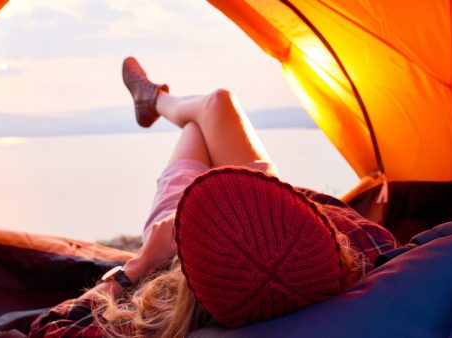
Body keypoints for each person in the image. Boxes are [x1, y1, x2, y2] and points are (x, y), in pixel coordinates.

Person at [28, 57, 398, 338]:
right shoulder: (370, 251)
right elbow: (321, 209)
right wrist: (282, 214)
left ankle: (154, 102)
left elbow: (47, 328)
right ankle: (155, 100)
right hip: (273, 215)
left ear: (190, 287)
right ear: (329, 246)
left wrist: (141, 264)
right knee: (218, 102)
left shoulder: (158, 309)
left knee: (202, 119)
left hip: (187, 234)